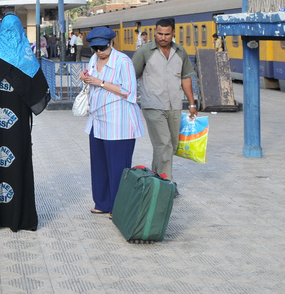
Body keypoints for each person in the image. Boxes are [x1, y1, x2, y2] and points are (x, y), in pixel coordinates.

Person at [0, 14, 50, 232]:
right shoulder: (26, 58)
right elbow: (39, 93)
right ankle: (20, 218)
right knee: (19, 162)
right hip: (18, 128)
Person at [79, 26, 147, 215]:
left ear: (111, 43)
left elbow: (128, 91)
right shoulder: (94, 59)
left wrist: (100, 82)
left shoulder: (123, 62)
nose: (99, 52)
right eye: (95, 48)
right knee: (99, 165)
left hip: (119, 122)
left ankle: (118, 207)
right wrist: (85, 78)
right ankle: (102, 203)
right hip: (97, 120)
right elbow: (91, 78)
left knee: (118, 168)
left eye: (102, 48)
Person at [131, 18, 197, 186]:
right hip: (152, 105)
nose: (163, 37)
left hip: (174, 105)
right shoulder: (145, 52)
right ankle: (167, 183)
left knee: (171, 145)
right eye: (160, 33)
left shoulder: (180, 52)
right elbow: (131, 76)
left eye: (167, 34)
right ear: (155, 32)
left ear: (173, 33)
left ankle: (156, 178)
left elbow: (186, 78)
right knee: (164, 143)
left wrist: (191, 104)